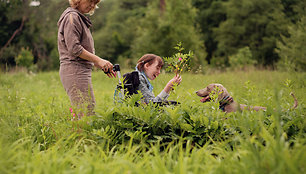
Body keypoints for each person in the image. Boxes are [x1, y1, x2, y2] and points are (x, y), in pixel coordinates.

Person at [57, 0, 115, 117]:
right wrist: (98, 60)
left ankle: (79, 135)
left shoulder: (78, 17)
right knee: (86, 114)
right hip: (74, 70)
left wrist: (100, 65)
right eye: (90, 1)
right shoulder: (71, 17)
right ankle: (81, 136)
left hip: (79, 70)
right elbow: (74, 48)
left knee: (83, 113)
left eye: (95, 3)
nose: (92, 6)